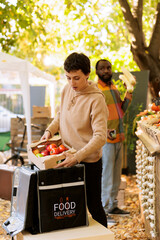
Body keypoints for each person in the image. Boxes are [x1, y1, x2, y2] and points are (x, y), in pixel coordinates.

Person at [41, 52, 108, 228]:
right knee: (69, 207)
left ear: (87, 74)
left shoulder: (96, 99)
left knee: (93, 206)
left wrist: (77, 156)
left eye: (77, 78)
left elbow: (100, 137)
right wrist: (49, 130)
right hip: (65, 157)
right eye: (68, 78)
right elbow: (60, 115)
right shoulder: (66, 89)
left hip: (88, 162)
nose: (72, 83)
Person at [95, 59, 132, 224]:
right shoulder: (96, 90)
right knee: (107, 176)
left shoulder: (114, 88)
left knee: (116, 176)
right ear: (96, 71)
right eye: (102, 68)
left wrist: (128, 95)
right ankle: (103, 210)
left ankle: (113, 206)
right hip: (106, 140)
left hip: (119, 137)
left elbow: (121, 111)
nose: (106, 70)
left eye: (108, 68)